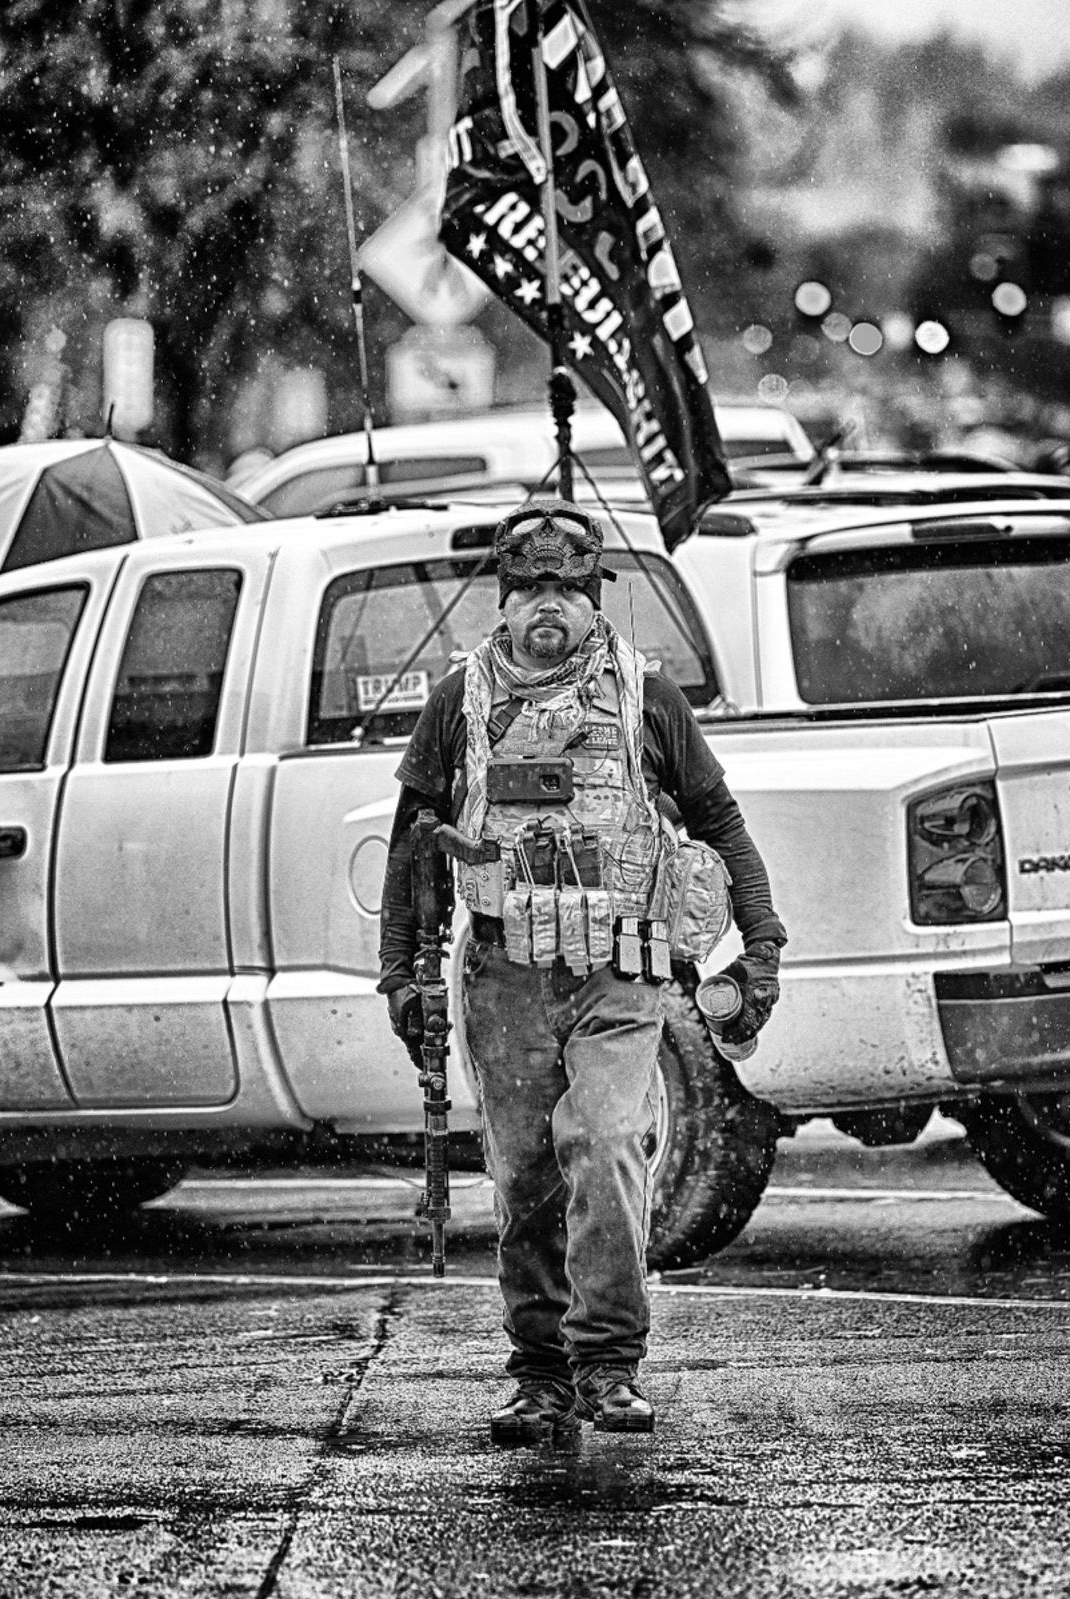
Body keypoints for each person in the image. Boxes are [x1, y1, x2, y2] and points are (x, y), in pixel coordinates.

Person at [376, 499, 787, 1444]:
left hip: (620, 974)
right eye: (531, 589)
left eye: (567, 587)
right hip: (503, 978)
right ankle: (538, 1372)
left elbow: (721, 824)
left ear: (595, 597)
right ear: (503, 601)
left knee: (604, 1144)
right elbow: (411, 848)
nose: (548, 606)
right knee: (525, 1177)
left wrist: (758, 944)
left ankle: (606, 1362)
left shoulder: (646, 699)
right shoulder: (461, 704)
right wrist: (401, 975)